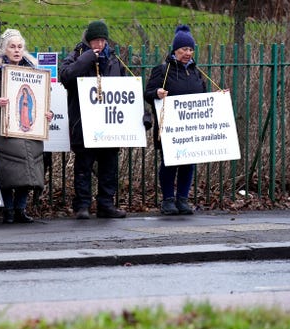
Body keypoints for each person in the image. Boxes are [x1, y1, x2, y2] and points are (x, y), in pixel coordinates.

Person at [60, 20, 144, 220]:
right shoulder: (76, 57)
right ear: (88, 41)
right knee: (83, 167)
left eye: (103, 40)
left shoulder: (114, 61)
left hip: (109, 124)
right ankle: (82, 205)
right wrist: (87, 59)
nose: (100, 44)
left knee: (109, 166)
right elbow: (66, 77)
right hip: (83, 123)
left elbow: (127, 92)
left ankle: (106, 204)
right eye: (96, 40)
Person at [0, 28, 53, 224]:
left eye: (20, 47)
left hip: (28, 127)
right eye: (12, 47)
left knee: (33, 157)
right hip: (3, 129)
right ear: (4, 49)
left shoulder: (34, 71)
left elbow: (42, 100)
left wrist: (47, 114)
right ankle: (8, 210)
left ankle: (20, 208)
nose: (17, 50)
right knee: (13, 159)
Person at [144, 25, 206, 215]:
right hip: (169, 128)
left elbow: (205, 97)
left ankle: (183, 199)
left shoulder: (197, 72)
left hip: (191, 128)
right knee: (169, 163)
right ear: (175, 50)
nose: (188, 53)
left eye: (190, 49)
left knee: (189, 164)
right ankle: (168, 200)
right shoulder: (162, 71)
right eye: (184, 50)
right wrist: (157, 93)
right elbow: (147, 93)